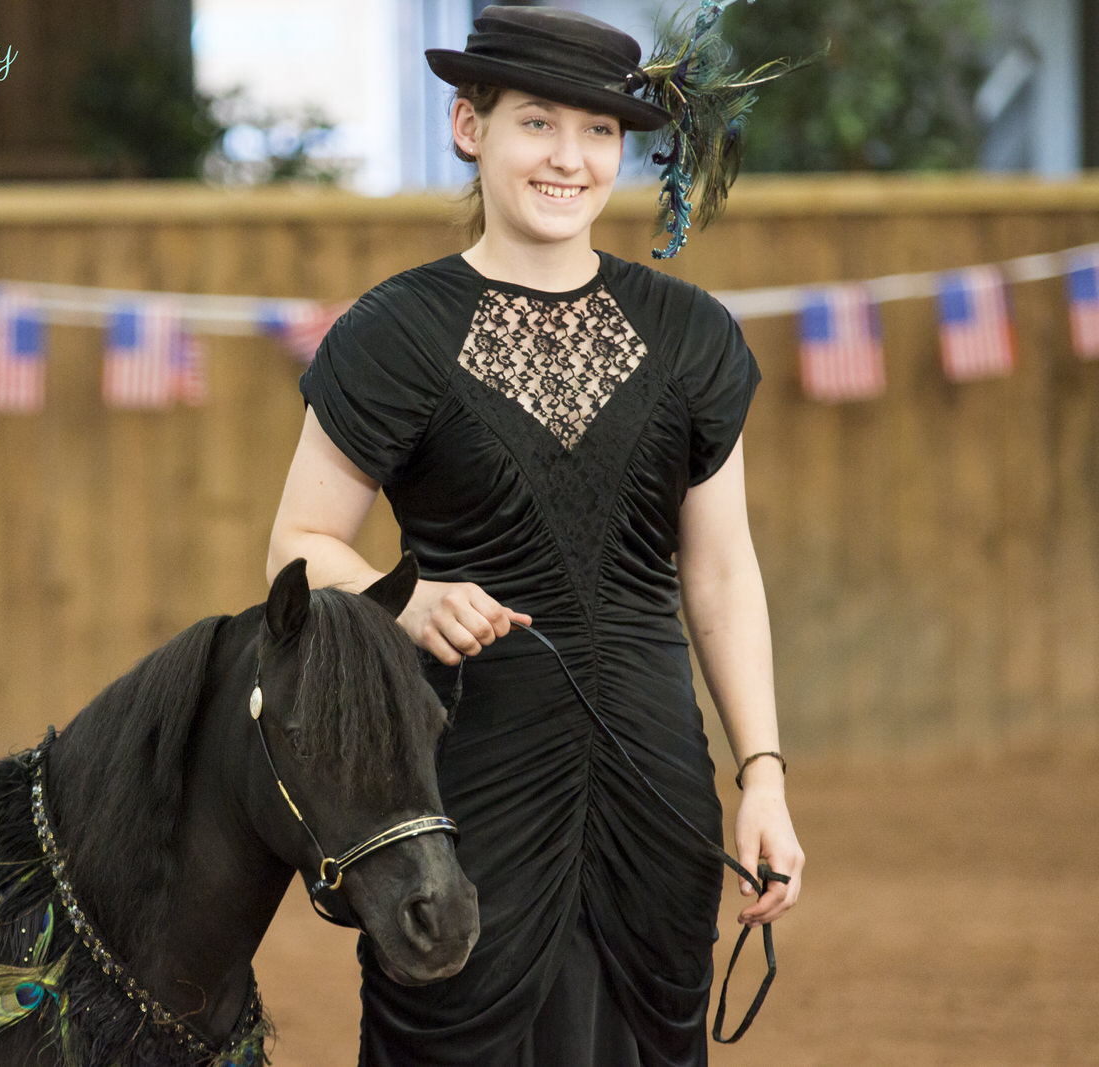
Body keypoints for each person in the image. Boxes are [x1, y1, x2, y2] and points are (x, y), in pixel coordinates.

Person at [264, 6, 805, 1065]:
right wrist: (403, 595)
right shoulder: (392, 333)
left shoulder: (692, 334)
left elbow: (722, 571)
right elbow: (296, 545)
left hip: (656, 770)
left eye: (599, 132)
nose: (569, 158)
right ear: (471, 129)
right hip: (469, 773)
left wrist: (766, 777)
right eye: (538, 124)